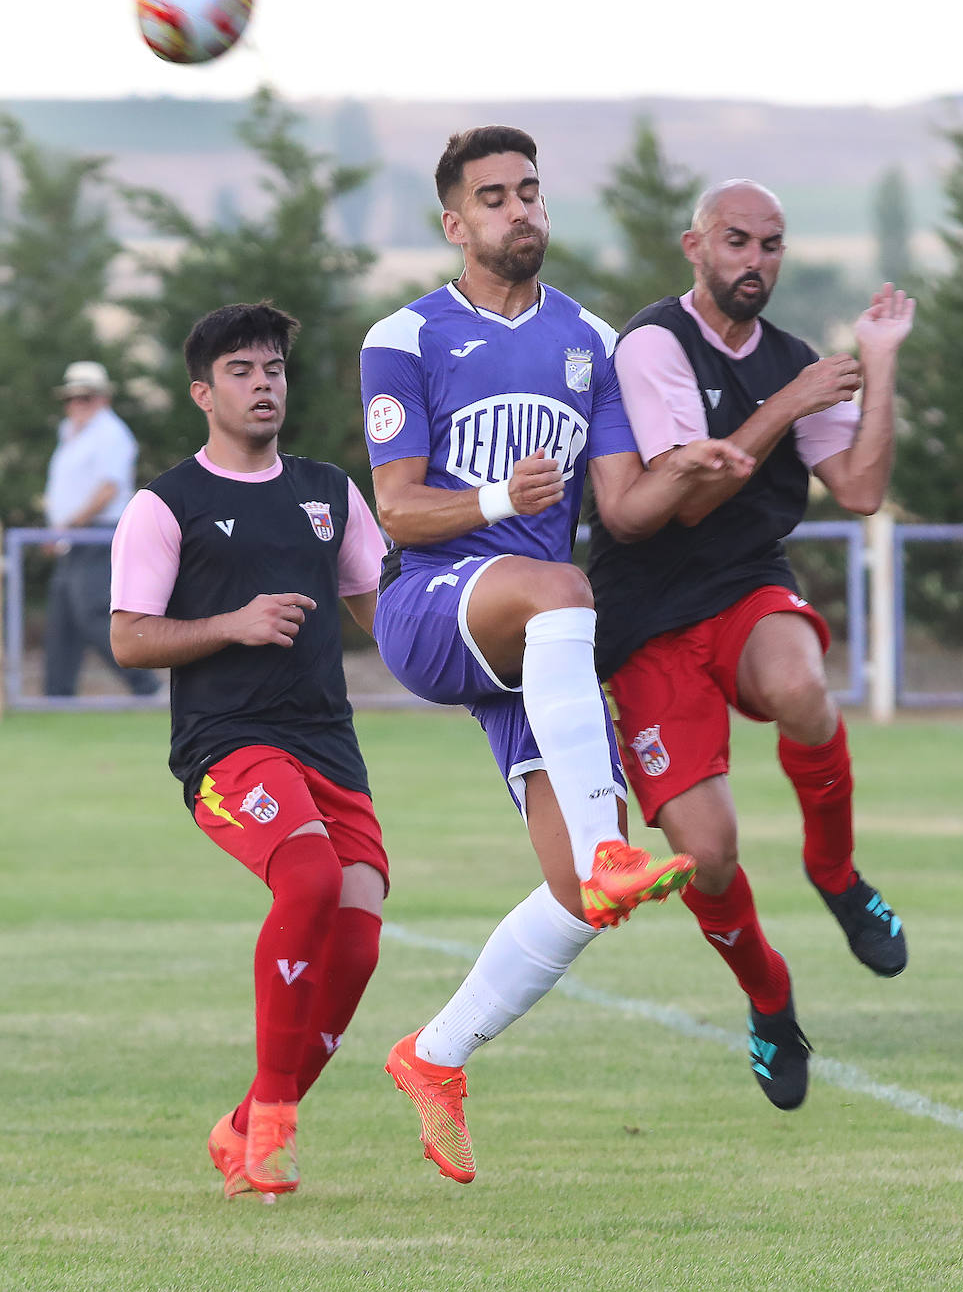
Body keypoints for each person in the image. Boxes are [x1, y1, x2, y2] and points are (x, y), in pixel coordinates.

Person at [360, 126, 754, 1182]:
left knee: (585, 898)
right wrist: (496, 499)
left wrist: (707, 467)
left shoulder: (589, 340)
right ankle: (608, 841)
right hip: (435, 607)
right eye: (493, 198)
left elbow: (623, 508)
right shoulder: (403, 336)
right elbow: (397, 508)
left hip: (537, 636)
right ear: (455, 225)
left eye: (530, 191)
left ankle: (433, 1056)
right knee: (558, 583)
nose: (519, 210)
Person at [588, 179, 916, 1112]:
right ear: (697, 246)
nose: (756, 262)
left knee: (803, 684)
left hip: (743, 589)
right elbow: (685, 497)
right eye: (738, 241)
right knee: (710, 853)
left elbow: (856, 489)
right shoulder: (654, 346)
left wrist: (878, 362)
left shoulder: (794, 358)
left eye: (771, 245)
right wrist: (792, 400)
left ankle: (836, 873)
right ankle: (771, 1004)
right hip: (646, 620)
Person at [110, 302, 389, 1200]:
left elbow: (381, 612)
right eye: (241, 369)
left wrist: (480, 663)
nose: (263, 382)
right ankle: (274, 1123)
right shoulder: (165, 505)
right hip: (228, 747)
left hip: (329, 744)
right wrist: (234, 623)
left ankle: (242, 1125)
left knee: (358, 940)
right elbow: (129, 639)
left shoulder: (328, 491)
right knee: (307, 879)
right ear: (202, 391)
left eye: (272, 367)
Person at [43, 361, 159, 698]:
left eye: (86, 397)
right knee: (63, 619)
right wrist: (61, 531)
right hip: (73, 537)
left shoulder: (111, 433)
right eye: (73, 397)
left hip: (98, 534)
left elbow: (108, 489)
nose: (78, 403)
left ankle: (146, 687)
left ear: (102, 398)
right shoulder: (68, 431)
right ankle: (57, 696)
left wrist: (68, 526)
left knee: (93, 612)